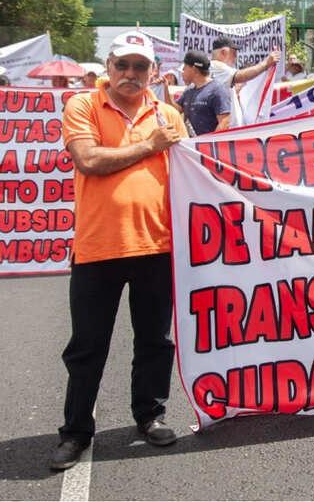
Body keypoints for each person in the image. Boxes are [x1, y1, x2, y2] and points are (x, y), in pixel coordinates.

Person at [50, 39, 189, 470]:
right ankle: (75, 432)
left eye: (140, 66)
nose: (131, 72)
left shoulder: (169, 116)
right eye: (123, 64)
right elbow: (89, 159)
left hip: (158, 246)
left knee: (155, 341)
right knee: (87, 346)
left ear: (152, 69)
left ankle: (149, 416)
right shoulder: (83, 105)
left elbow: (194, 171)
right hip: (98, 248)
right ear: (109, 66)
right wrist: (149, 146)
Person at [163, 50, 230, 135]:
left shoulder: (218, 90)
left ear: (194, 69)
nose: (183, 70)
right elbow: (173, 111)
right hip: (191, 147)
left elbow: (225, 123)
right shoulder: (189, 90)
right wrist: (164, 88)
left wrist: (207, 145)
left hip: (206, 147)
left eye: (185, 67)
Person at [209, 36, 279, 88]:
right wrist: (266, 63)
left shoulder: (212, 68)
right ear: (223, 52)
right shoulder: (216, 65)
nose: (236, 56)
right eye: (233, 53)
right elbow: (241, 76)